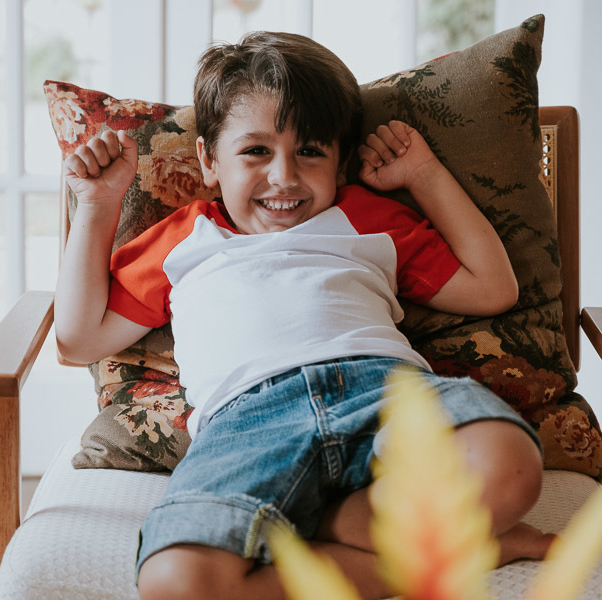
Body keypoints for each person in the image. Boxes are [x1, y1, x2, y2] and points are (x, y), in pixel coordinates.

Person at [55, 31, 554, 600]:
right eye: (255, 151)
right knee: (175, 584)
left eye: (311, 150)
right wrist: (95, 206)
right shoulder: (183, 238)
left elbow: (492, 289)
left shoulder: (367, 217)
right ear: (208, 160)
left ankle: (324, 516)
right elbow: (77, 339)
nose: (285, 177)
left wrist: (424, 175)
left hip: (385, 392)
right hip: (245, 425)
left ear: (340, 162)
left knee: (509, 465)